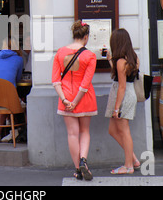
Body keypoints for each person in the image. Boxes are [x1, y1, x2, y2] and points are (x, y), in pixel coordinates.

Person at [51, 20, 97, 181]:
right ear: (86, 37)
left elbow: (55, 80)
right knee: (85, 131)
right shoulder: (90, 56)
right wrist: (76, 101)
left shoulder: (60, 53)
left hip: (66, 97)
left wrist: (65, 100)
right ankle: (84, 159)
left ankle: (77, 169)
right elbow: (85, 84)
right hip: (84, 98)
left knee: (72, 134)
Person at [105, 28, 141, 175]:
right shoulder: (133, 58)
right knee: (113, 130)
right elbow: (124, 77)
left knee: (124, 131)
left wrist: (116, 108)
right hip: (129, 93)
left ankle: (128, 166)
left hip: (123, 96)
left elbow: (121, 86)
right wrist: (109, 61)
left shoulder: (121, 61)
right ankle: (133, 159)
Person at [0, 36, 24, 142]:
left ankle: (5, 132)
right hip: (9, 99)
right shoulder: (19, 59)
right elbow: (17, 78)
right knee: (22, 103)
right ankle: (13, 131)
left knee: (5, 99)